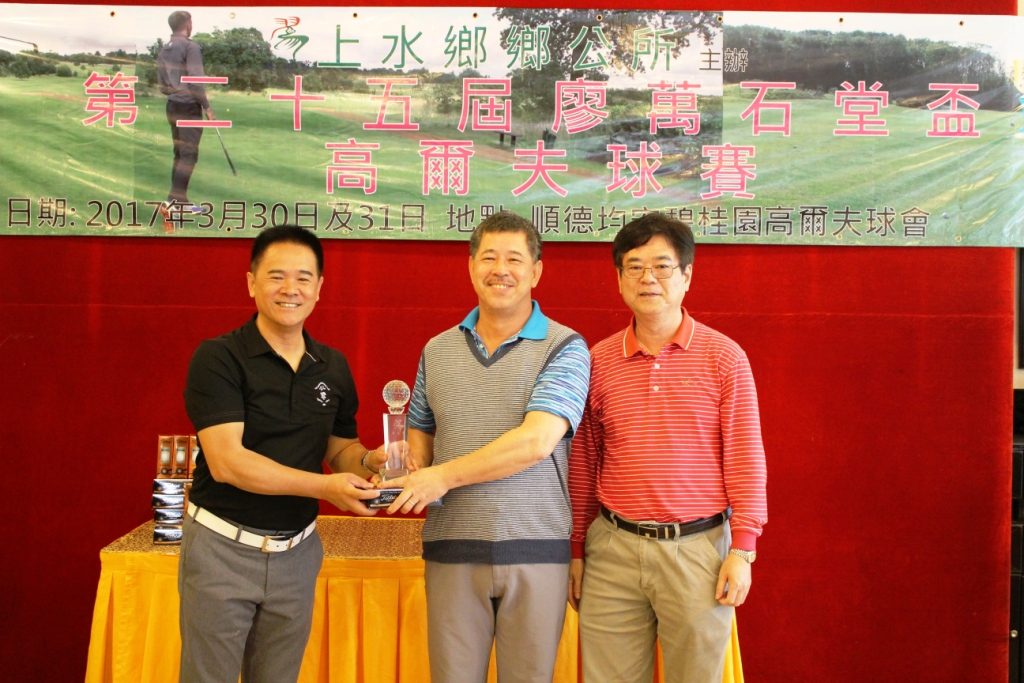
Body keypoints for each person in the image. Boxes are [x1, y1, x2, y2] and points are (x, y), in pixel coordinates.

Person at [381, 211, 591, 683]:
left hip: (535, 547)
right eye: (489, 257)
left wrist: (440, 477)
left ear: (536, 271)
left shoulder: (566, 347)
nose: (501, 270)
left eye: (514, 259)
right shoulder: (436, 350)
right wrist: (400, 465)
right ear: (471, 266)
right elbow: (422, 436)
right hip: (452, 546)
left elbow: (536, 441)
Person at [568, 212, 767, 683]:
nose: (648, 278)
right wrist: (575, 549)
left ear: (687, 275)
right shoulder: (596, 361)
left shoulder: (724, 357)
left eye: (661, 266)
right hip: (612, 550)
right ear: (619, 279)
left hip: (697, 552)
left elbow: (745, 456)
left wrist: (743, 550)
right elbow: (583, 461)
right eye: (634, 267)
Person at [180, 225, 384, 683]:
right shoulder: (219, 358)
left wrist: (371, 463)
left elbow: (340, 448)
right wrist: (325, 488)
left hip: (297, 553)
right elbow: (228, 462)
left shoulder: (332, 365)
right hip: (222, 548)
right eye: (276, 276)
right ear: (251, 283)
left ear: (319, 288)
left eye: (303, 278)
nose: (290, 289)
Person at [157, 10, 214, 227]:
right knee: (189, 155)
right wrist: (207, 107)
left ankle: (180, 202)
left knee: (180, 154)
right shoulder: (191, 47)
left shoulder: (164, 49)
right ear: (188, 24)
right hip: (189, 107)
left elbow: (163, 86)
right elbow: (196, 82)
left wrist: (176, 90)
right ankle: (172, 202)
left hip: (172, 105)